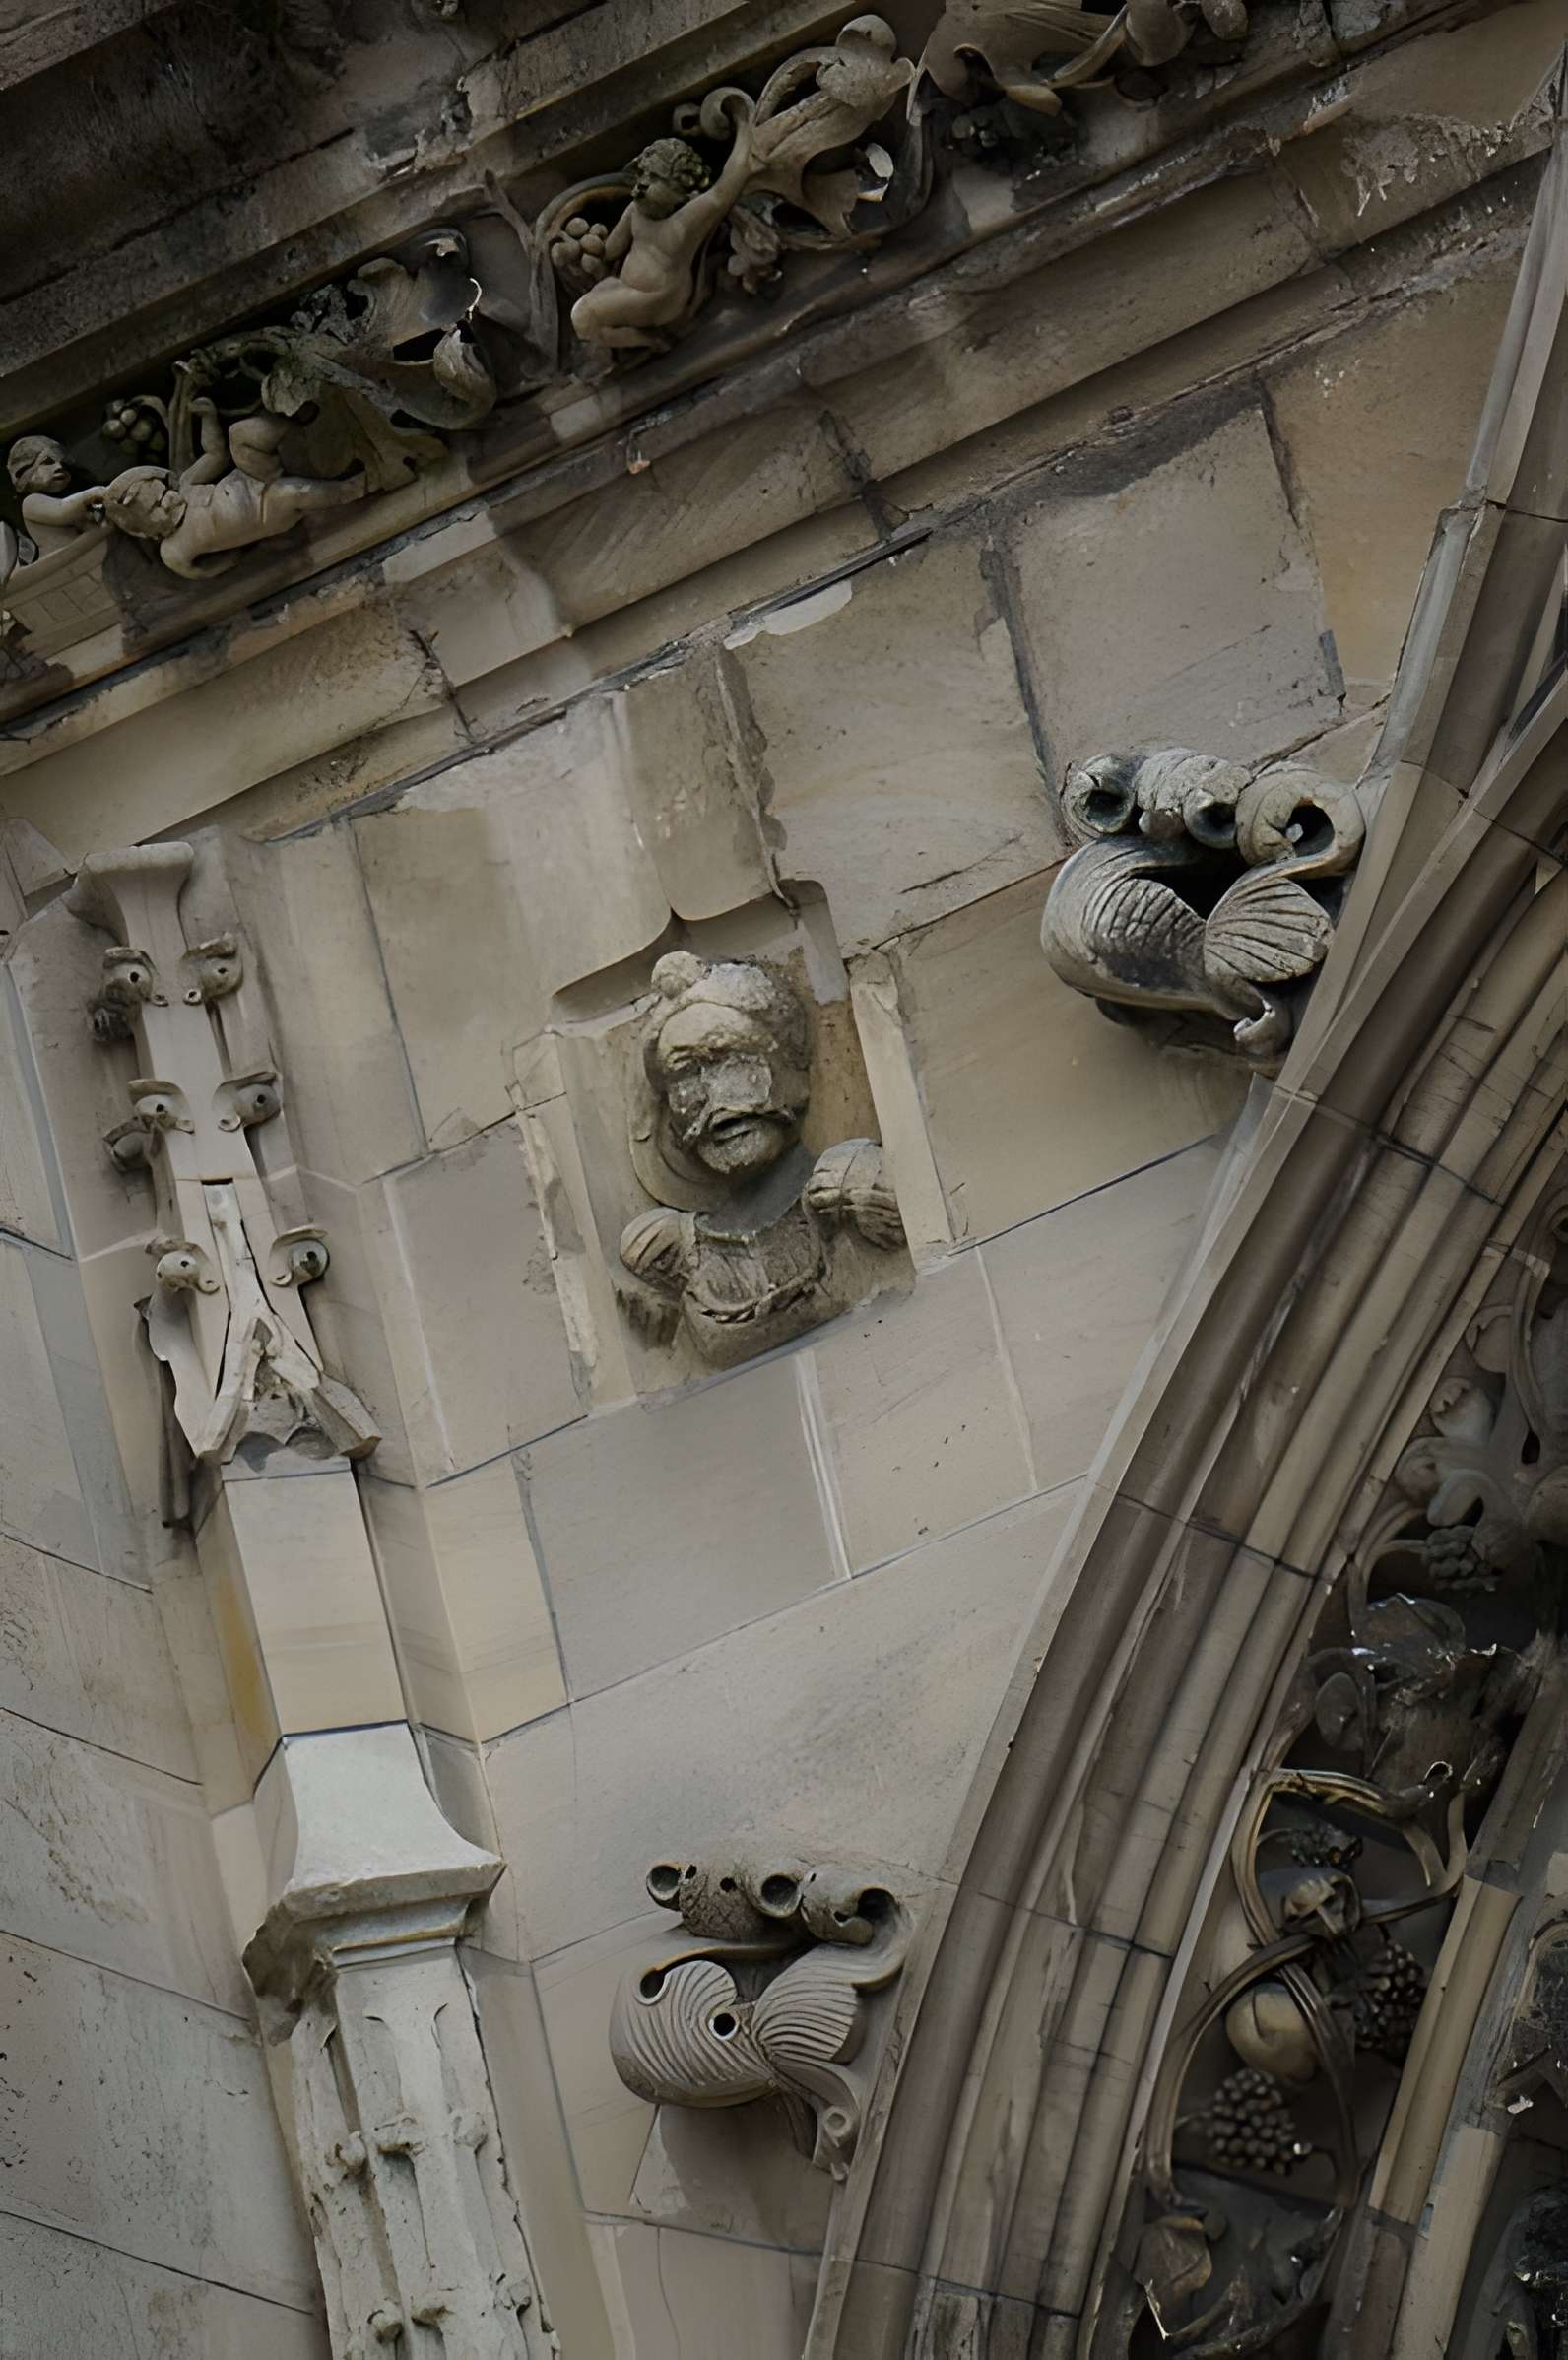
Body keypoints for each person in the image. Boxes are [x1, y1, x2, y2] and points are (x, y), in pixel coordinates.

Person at [101, 399, 363, 580]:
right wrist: (236, 555)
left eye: (162, 494)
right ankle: (352, 488)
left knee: (239, 434)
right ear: (145, 531)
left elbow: (215, 454)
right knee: (294, 492)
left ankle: (298, 424)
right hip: (264, 512)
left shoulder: (186, 486)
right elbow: (200, 572)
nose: (168, 501)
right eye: (156, 508)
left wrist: (208, 418)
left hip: (250, 476)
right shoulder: (173, 550)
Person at [570, 115, 755, 352]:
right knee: (595, 300)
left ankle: (649, 340)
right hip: (625, 288)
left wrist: (744, 126)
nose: (643, 184)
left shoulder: (684, 222)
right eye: (643, 174)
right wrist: (588, 246)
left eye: (655, 177)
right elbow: (610, 250)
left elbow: (722, 192)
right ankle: (641, 339)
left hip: (660, 299)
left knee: (583, 316)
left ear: (680, 189)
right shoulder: (637, 208)